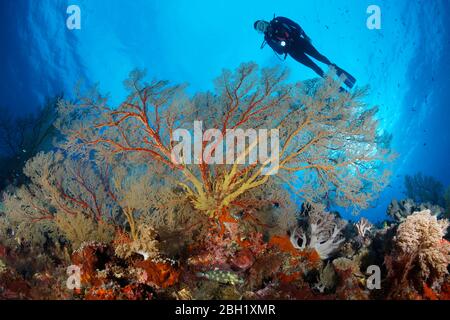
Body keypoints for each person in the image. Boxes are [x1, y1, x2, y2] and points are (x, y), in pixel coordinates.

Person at [254, 16, 356, 89]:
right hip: (293, 52)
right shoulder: (268, 38)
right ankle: (337, 87)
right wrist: (281, 44)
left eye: (261, 25)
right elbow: (279, 52)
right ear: (260, 32)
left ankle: (346, 79)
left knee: (321, 58)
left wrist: (305, 36)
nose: (263, 28)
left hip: (300, 41)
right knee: (314, 67)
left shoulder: (278, 20)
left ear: (264, 21)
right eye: (260, 29)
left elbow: (296, 25)